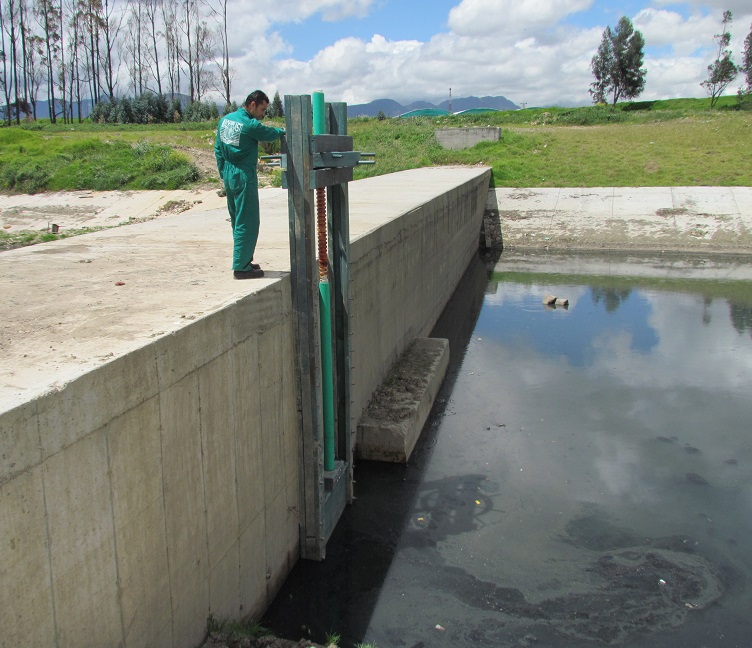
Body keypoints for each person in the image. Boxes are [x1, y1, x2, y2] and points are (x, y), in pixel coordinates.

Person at [214, 90, 285, 279]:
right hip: (244, 174)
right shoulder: (249, 124)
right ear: (252, 104)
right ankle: (241, 267)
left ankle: (244, 260)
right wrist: (284, 132)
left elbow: (217, 148)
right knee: (248, 220)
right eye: (262, 109)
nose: (263, 114)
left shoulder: (225, 120)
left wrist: (224, 172)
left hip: (229, 173)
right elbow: (268, 133)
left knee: (237, 219)